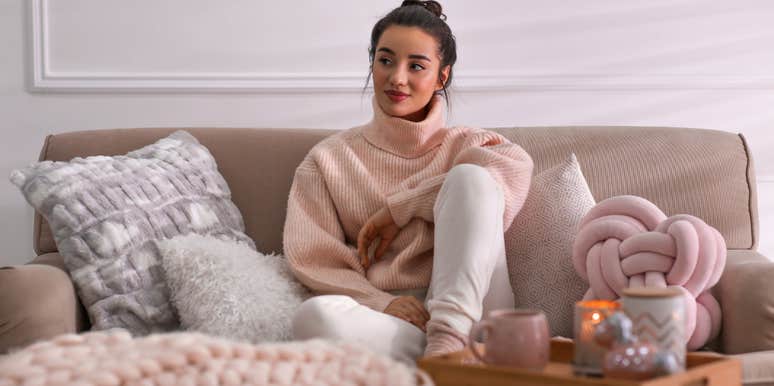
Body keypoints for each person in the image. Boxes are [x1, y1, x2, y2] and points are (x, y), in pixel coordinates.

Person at [284, 0, 533, 363]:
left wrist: (401, 208)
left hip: (479, 309)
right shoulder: (327, 159)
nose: (397, 78)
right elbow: (313, 259)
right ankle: (451, 361)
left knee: (470, 177)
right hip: (394, 321)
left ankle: (450, 338)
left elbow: (516, 168)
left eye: (416, 65)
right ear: (372, 63)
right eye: (386, 60)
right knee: (313, 317)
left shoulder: (470, 145)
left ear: (442, 76)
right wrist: (384, 303)